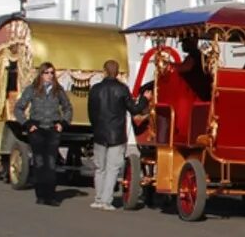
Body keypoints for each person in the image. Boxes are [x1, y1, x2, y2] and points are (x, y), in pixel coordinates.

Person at [87, 59, 148, 211]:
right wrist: (145, 99)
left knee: (100, 168)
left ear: (104, 71)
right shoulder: (122, 89)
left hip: (100, 132)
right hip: (116, 133)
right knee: (112, 168)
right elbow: (134, 109)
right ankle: (107, 201)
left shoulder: (95, 89)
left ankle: (98, 198)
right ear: (117, 72)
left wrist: (96, 127)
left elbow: (91, 112)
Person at [14, 61, 72, 207]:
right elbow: (19, 108)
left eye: (52, 73)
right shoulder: (32, 89)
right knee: (39, 162)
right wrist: (27, 124)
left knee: (51, 162)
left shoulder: (58, 90)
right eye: (47, 73)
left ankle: (51, 195)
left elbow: (67, 108)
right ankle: (40, 194)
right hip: (37, 128)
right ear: (41, 74)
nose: (49, 76)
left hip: (52, 129)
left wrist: (63, 123)